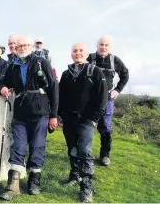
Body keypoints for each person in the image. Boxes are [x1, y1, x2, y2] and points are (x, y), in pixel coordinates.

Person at [0, 35, 59, 201]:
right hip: (20, 112)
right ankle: (13, 185)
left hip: (40, 111)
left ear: (31, 46)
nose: (23, 48)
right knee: (18, 145)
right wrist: (2, 88)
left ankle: (34, 181)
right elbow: (3, 81)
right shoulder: (13, 66)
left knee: (38, 146)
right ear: (15, 49)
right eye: (19, 46)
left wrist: (54, 115)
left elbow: (53, 88)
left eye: (25, 45)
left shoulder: (41, 62)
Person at [58, 43, 108, 203]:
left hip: (87, 119)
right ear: (71, 54)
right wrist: (59, 115)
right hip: (68, 119)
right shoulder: (66, 74)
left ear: (86, 54)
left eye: (81, 51)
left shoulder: (95, 72)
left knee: (85, 152)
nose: (77, 53)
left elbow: (102, 97)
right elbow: (60, 96)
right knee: (72, 149)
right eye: (74, 51)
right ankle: (74, 176)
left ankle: (86, 188)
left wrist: (95, 118)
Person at [86, 35, 129, 166]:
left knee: (105, 127)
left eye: (106, 45)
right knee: (86, 125)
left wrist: (117, 90)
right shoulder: (89, 58)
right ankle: (84, 154)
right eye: (101, 44)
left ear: (110, 47)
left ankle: (104, 155)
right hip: (89, 98)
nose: (103, 47)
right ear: (97, 45)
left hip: (107, 98)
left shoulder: (115, 60)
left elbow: (125, 74)